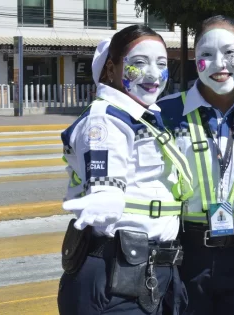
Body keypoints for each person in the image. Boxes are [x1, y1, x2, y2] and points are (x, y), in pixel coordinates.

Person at [57, 25, 192, 315]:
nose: (154, 74)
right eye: (139, 63)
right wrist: (105, 193)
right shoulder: (105, 122)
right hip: (117, 276)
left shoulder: (143, 118)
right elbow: (105, 180)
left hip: (146, 270)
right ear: (111, 69)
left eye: (161, 64)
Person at [157, 15, 234, 315]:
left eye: (230, 53)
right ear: (195, 58)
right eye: (206, 54)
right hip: (187, 253)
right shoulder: (165, 112)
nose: (219, 64)